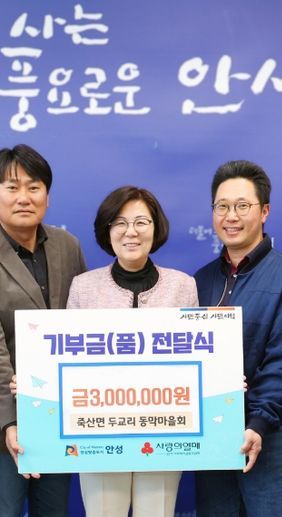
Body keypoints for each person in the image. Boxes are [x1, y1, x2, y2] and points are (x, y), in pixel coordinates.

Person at [0, 144, 87, 517]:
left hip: (61, 416)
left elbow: (83, 327)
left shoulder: (67, 246)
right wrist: (12, 422)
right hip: (3, 424)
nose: (24, 197)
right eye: (12, 187)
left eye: (34, 187)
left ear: (47, 195)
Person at [193, 160, 282, 516]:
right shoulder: (200, 281)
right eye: (222, 206)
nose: (230, 216)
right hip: (213, 434)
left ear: (264, 212)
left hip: (269, 434)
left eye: (242, 206)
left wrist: (259, 422)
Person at [66, 186, 198, 517]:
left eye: (141, 222)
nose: (131, 232)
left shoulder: (183, 286)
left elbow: (198, 358)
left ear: (156, 227)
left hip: (165, 431)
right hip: (99, 432)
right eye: (120, 223)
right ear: (107, 230)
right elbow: (66, 362)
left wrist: (221, 378)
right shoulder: (83, 287)